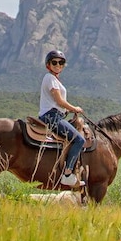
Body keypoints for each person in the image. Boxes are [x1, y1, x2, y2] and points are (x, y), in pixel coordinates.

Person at [38, 50, 85, 187]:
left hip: (56, 115)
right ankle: (68, 174)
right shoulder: (50, 78)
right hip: (51, 117)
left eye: (61, 62)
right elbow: (59, 100)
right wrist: (74, 109)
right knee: (79, 140)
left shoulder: (54, 79)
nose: (58, 65)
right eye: (54, 62)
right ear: (48, 64)